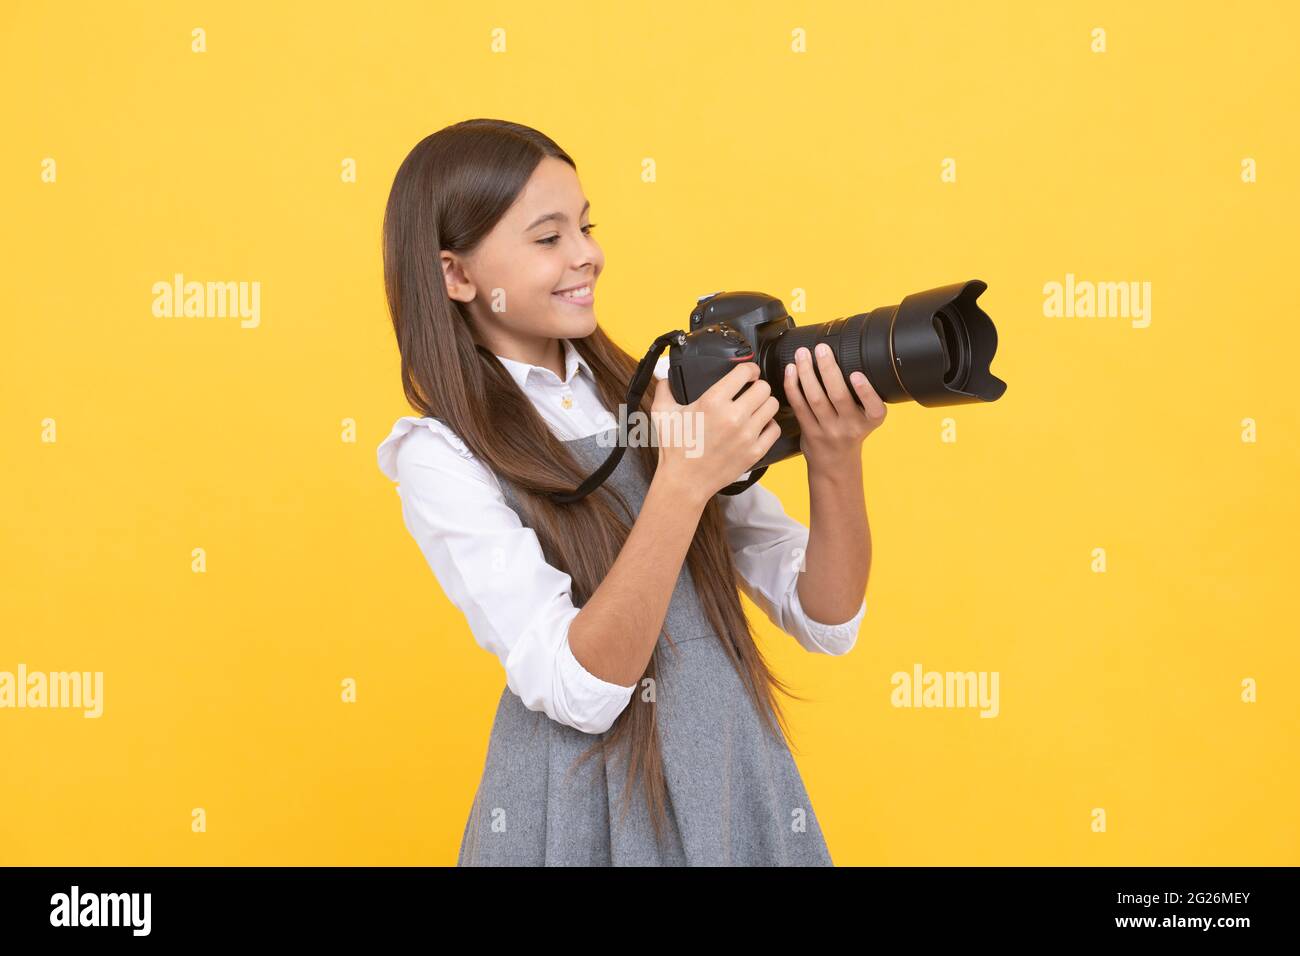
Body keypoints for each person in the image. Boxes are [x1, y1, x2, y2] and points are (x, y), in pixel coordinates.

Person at [376, 118, 886, 865]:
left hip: (726, 772)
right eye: (548, 238)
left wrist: (835, 459)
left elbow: (826, 617)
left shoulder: (660, 394)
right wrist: (681, 481)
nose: (588, 255)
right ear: (456, 275)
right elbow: (579, 688)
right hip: (583, 808)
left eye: (585, 227)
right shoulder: (440, 454)